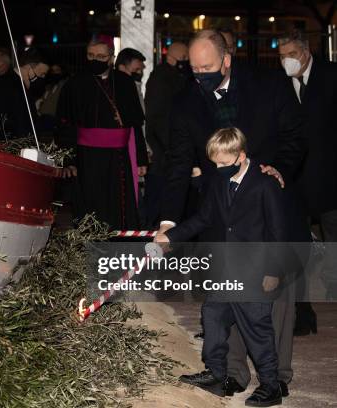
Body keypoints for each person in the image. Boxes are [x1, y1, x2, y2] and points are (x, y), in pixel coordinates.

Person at [158, 29, 306, 400]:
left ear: (226, 60)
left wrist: (278, 169)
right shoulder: (185, 102)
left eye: (207, 67)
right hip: (220, 213)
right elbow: (177, 166)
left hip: (269, 205)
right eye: (194, 69)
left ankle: (277, 377)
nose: (200, 75)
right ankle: (233, 375)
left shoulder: (270, 84)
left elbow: (295, 137)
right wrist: (168, 221)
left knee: (273, 300)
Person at [157, 127, 284, 406]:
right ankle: (216, 373)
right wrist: (171, 236)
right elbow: (203, 218)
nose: (218, 168)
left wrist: (273, 271)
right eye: (214, 163)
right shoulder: (217, 181)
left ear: (241, 156)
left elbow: (277, 232)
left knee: (257, 330)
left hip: (255, 271)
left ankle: (271, 386)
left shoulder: (265, 184)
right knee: (212, 316)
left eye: (224, 163)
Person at [56, 36, 148, 230]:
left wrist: (140, 159)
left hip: (119, 158)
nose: (95, 59)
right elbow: (65, 124)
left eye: (100, 56)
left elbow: (135, 125)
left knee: (118, 205)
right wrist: (69, 160)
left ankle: (117, 249)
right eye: (90, 55)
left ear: (111, 58)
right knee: (90, 205)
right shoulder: (74, 84)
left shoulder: (124, 82)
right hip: (86, 157)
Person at [279, 30, 336, 318]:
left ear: (305, 52)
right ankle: (300, 305)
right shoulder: (279, 84)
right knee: (297, 239)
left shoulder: (330, 75)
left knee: (333, 234)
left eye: (291, 55)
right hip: (295, 178)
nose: (286, 61)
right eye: (282, 56)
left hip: (329, 175)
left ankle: (333, 285)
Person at [143, 42, 192, 228]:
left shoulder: (173, 76)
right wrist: (169, 146)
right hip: (163, 150)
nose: (187, 62)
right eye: (185, 58)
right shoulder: (162, 78)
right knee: (158, 198)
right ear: (174, 57)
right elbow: (157, 116)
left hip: (167, 147)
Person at [0, 48, 48, 140]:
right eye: (42, 74)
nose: (43, 78)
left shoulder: (23, 86)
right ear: (30, 68)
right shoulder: (6, 85)